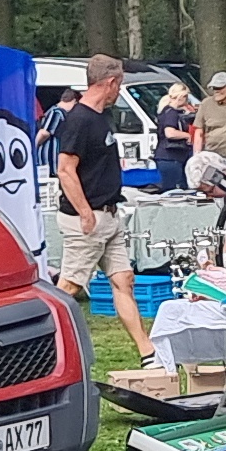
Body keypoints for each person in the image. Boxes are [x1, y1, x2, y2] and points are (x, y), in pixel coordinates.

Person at [48, 55, 139, 348]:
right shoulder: (79, 120)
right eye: (119, 84)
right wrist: (85, 212)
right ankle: (41, 343)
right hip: (86, 219)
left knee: (124, 280)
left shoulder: (102, 117)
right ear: (110, 82)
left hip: (109, 215)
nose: (119, 91)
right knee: (69, 286)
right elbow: (65, 169)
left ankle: (148, 351)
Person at [151, 82, 198, 188]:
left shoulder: (166, 110)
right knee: (174, 190)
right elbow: (170, 132)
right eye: (186, 97)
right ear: (182, 96)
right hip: (171, 157)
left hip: (168, 157)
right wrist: (187, 136)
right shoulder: (172, 113)